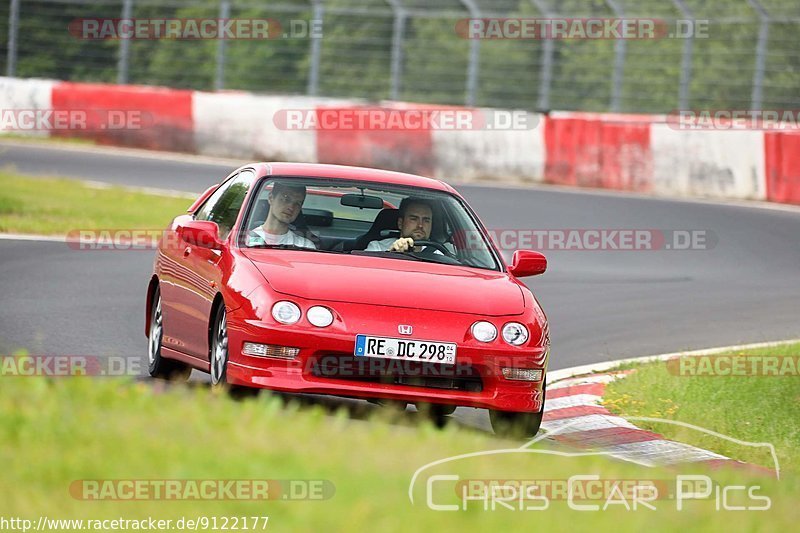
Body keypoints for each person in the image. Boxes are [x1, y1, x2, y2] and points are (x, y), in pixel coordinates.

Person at [366, 197, 451, 254]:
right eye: (414, 219)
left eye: (426, 220)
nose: (420, 225)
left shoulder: (437, 255)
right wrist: (392, 254)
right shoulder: (377, 248)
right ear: (400, 223)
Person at [247, 181, 316, 249]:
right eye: (286, 199)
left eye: (297, 203)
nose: (291, 207)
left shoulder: (305, 246)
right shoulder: (246, 240)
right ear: (271, 198)